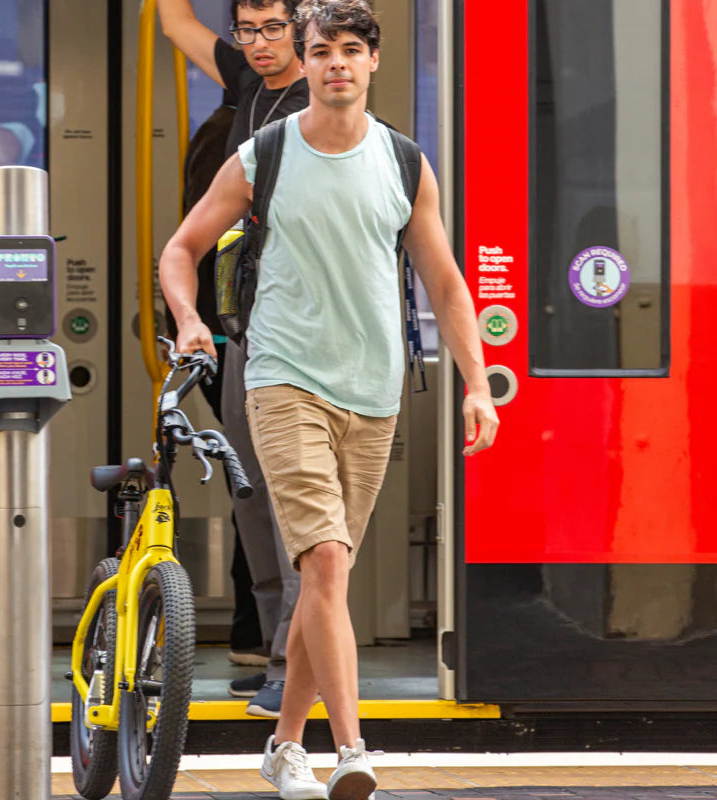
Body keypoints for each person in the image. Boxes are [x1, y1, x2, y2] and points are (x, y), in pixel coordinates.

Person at [160, 1, 499, 797]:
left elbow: (446, 283)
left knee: (326, 580)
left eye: (351, 49)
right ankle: (350, 749)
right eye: (322, 51)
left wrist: (478, 383)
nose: (337, 63)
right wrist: (189, 321)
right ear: (304, 62)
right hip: (282, 378)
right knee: (325, 558)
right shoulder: (265, 154)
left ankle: (284, 745)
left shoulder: (406, 163)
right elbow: (182, 248)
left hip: (373, 392)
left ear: (374, 60)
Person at [157, 0, 310, 716]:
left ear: (302, 29)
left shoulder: (318, 101)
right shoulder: (250, 82)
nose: (257, 43)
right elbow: (175, 25)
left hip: (299, 331)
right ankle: (274, 645)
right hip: (244, 322)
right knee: (250, 494)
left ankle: (293, 663)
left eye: (273, 28)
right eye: (245, 29)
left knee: (290, 504)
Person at [163, 90, 269, 669]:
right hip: (231, 336)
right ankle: (257, 629)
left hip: (243, 335)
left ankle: (262, 630)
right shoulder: (239, 135)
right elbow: (200, 245)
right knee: (255, 483)